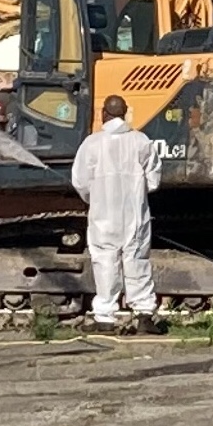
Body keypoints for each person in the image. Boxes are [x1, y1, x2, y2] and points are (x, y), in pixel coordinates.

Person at [69, 94, 162, 326]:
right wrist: (136, 193)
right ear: (124, 113)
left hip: (103, 216)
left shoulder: (91, 144)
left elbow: (80, 181)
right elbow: (154, 180)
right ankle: (143, 315)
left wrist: (95, 198)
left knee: (104, 263)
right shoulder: (142, 141)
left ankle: (105, 318)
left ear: (104, 114)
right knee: (137, 260)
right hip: (134, 214)